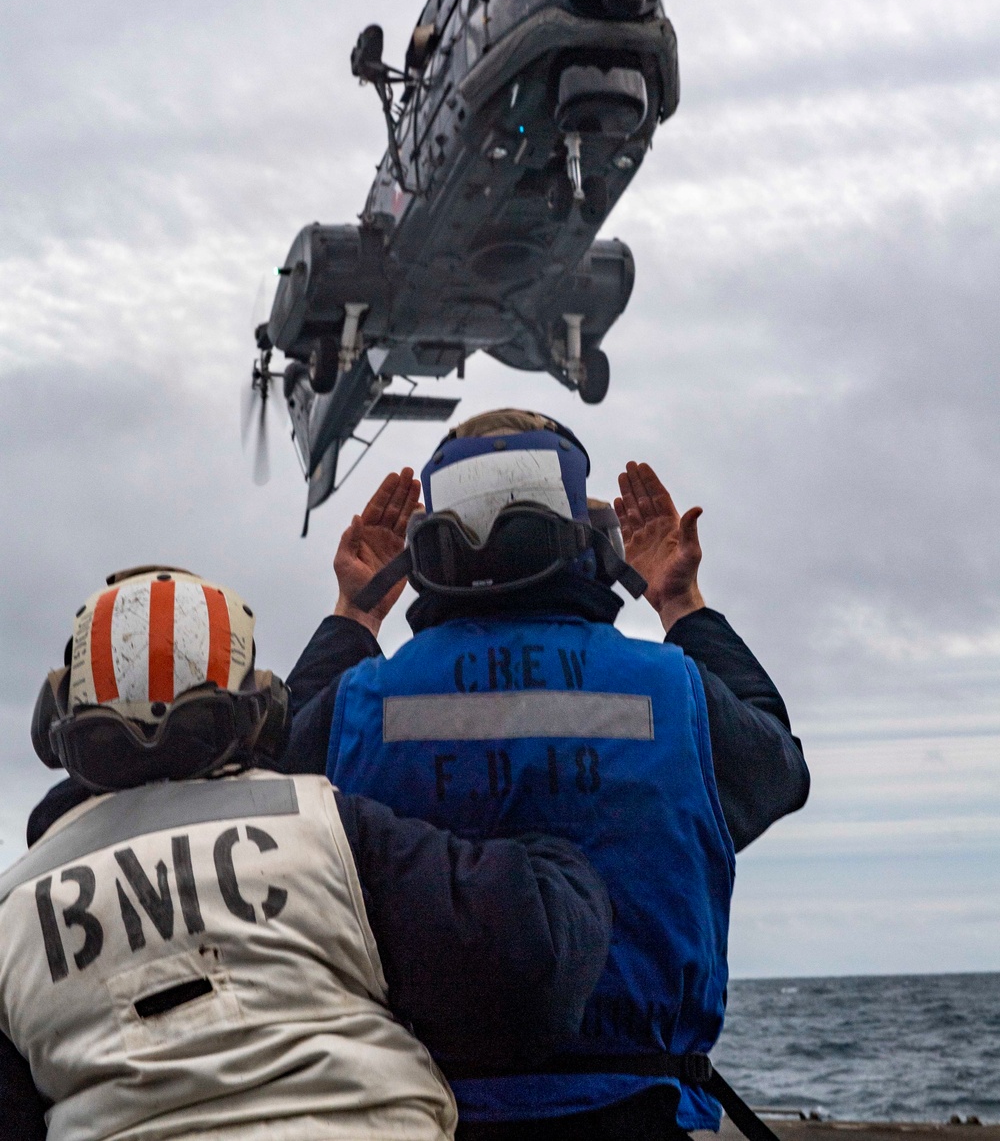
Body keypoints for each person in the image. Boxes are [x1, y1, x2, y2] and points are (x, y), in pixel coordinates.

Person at [281, 410, 811, 1141]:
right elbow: (779, 769)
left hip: (423, 1115)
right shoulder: (673, 692)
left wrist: (353, 614)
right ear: (584, 534)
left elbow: (266, 780)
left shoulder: (361, 705)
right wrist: (680, 604)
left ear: (428, 548)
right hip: (639, 1114)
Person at [0, 564, 613, 1140]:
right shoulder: (325, 827)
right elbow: (530, 968)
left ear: (58, 716)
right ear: (257, 707)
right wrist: (554, 850)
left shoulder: (12, 913)